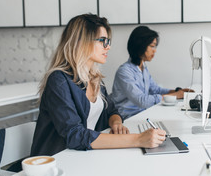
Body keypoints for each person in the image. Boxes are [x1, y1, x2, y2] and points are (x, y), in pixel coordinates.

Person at [30, 14, 166, 156]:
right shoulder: (58, 80)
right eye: (102, 41)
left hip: (82, 156)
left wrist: (116, 123)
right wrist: (138, 139)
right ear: (81, 42)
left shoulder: (95, 78)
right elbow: (75, 135)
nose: (108, 47)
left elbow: (111, 111)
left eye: (108, 41)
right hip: (56, 162)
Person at [110, 26, 192, 119]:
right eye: (152, 46)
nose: (155, 50)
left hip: (142, 114)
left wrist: (177, 91)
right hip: (127, 118)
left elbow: (155, 89)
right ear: (140, 45)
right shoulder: (124, 72)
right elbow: (142, 101)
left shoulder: (143, 68)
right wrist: (175, 95)